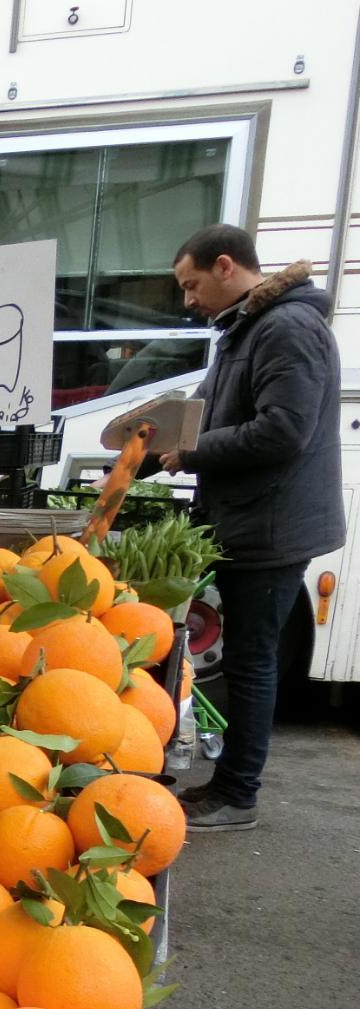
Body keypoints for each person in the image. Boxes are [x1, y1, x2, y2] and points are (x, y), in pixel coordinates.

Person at [159, 225, 345, 831]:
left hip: (271, 522)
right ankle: (224, 784)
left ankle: (238, 794)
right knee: (245, 657)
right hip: (246, 516)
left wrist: (191, 452)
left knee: (252, 660)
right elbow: (212, 405)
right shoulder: (247, 326)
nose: (188, 300)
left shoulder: (287, 328)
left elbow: (282, 431)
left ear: (224, 266)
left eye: (191, 286)